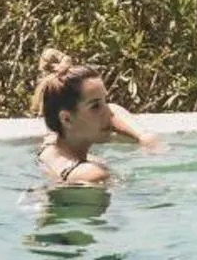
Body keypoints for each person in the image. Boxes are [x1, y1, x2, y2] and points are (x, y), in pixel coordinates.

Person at [35, 48, 158, 186]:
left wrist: (144, 136)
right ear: (67, 119)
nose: (109, 113)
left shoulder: (50, 146)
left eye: (105, 101)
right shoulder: (92, 175)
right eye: (95, 106)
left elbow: (113, 109)